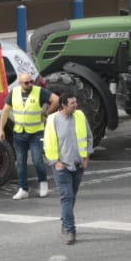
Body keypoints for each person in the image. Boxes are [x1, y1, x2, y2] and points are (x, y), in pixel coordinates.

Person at [0, 68, 53, 200]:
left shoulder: (39, 91)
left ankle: (43, 183)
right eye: (26, 83)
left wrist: (46, 113)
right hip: (19, 133)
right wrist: (1, 129)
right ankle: (23, 189)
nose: (30, 84)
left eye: (31, 82)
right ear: (20, 83)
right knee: (21, 162)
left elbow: (56, 100)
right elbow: (5, 111)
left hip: (36, 133)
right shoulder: (14, 93)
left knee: (37, 160)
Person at [43, 91, 90, 244]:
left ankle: (65, 221)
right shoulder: (53, 120)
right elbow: (48, 143)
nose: (76, 105)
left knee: (71, 197)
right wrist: (55, 162)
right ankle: (70, 230)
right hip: (62, 167)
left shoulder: (80, 116)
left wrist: (86, 157)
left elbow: (88, 137)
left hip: (78, 165)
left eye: (75, 102)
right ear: (63, 105)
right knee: (67, 197)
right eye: (72, 103)